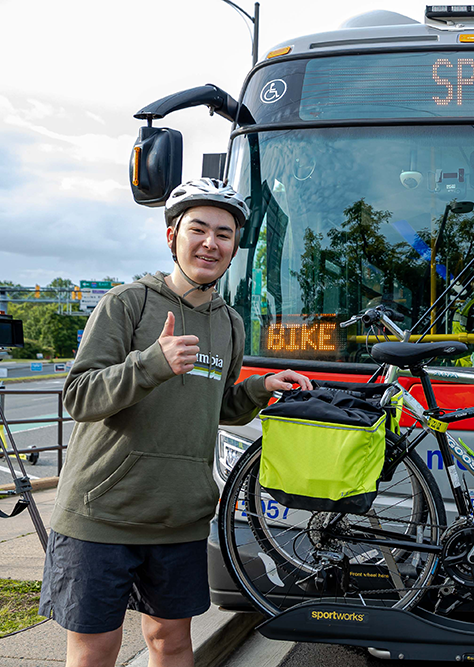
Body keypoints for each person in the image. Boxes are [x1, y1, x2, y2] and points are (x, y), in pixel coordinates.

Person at [39, 178, 313, 667]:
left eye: (224, 234)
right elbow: (78, 397)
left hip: (179, 517)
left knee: (171, 641)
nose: (211, 243)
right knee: (96, 647)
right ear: (173, 237)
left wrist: (259, 388)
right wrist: (150, 365)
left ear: (233, 248)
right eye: (199, 229)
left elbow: (216, 407)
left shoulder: (229, 322)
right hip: (102, 513)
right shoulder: (127, 304)